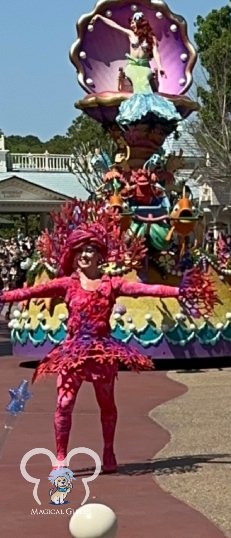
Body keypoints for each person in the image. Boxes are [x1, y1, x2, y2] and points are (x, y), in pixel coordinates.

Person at [0, 202, 215, 473]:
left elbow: (147, 289)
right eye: (80, 252)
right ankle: (61, 457)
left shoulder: (112, 284)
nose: (85, 256)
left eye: (90, 250)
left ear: (99, 256)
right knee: (64, 403)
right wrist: (4, 296)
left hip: (102, 352)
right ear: (75, 256)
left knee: (106, 405)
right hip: (73, 352)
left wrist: (178, 293)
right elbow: (31, 292)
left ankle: (108, 452)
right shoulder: (67, 284)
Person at [90, 12, 181, 125]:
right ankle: (135, 111)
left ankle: (152, 110)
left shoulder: (151, 38)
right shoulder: (130, 34)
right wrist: (100, 17)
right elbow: (114, 25)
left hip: (145, 67)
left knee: (145, 81)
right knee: (140, 82)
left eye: (133, 22)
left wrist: (160, 66)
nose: (131, 25)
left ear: (139, 23)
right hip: (132, 67)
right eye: (131, 23)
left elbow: (155, 52)